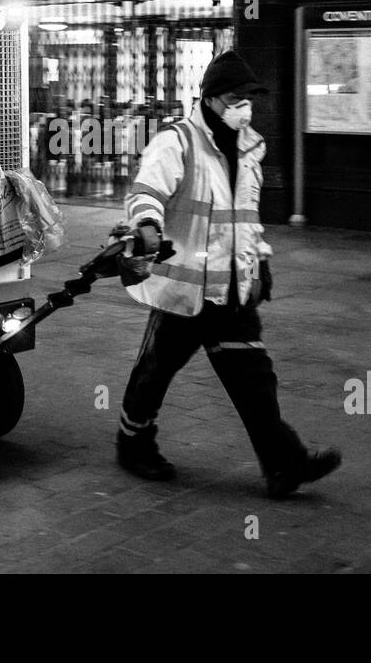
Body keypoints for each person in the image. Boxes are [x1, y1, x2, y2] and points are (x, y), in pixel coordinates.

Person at [115, 50, 341, 499]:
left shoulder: (250, 147)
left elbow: (245, 216)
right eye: (237, 98)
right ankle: (132, 442)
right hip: (185, 291)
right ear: (213, 99)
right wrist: (146, 225)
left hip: (232, 291)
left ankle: (285, 466)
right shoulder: (177, 141)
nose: (245, 107)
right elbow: (147, 191)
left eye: (249, 99)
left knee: (255, 380)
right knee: (155, 373)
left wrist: (260, 259)